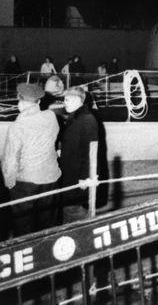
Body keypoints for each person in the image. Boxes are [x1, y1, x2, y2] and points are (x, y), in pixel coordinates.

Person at [0, 83, 61, 235]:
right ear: (39, 102)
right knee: (47, 223)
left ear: (19, 101)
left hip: (26, 182)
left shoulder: (18, 126)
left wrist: (9, 182)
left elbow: (10, 159)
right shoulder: (51, 117)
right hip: (50, 178)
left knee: (23, 225)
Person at [59, 87, 99, 223]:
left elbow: (90, 151)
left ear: (78, 100)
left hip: (77, 174)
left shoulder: (87, 119)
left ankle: (86, 228)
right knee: (69, 207)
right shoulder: (75, 116)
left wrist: (85, 177)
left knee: (73, 209)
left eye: (67, 99)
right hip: (71, 169)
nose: (64, 102)